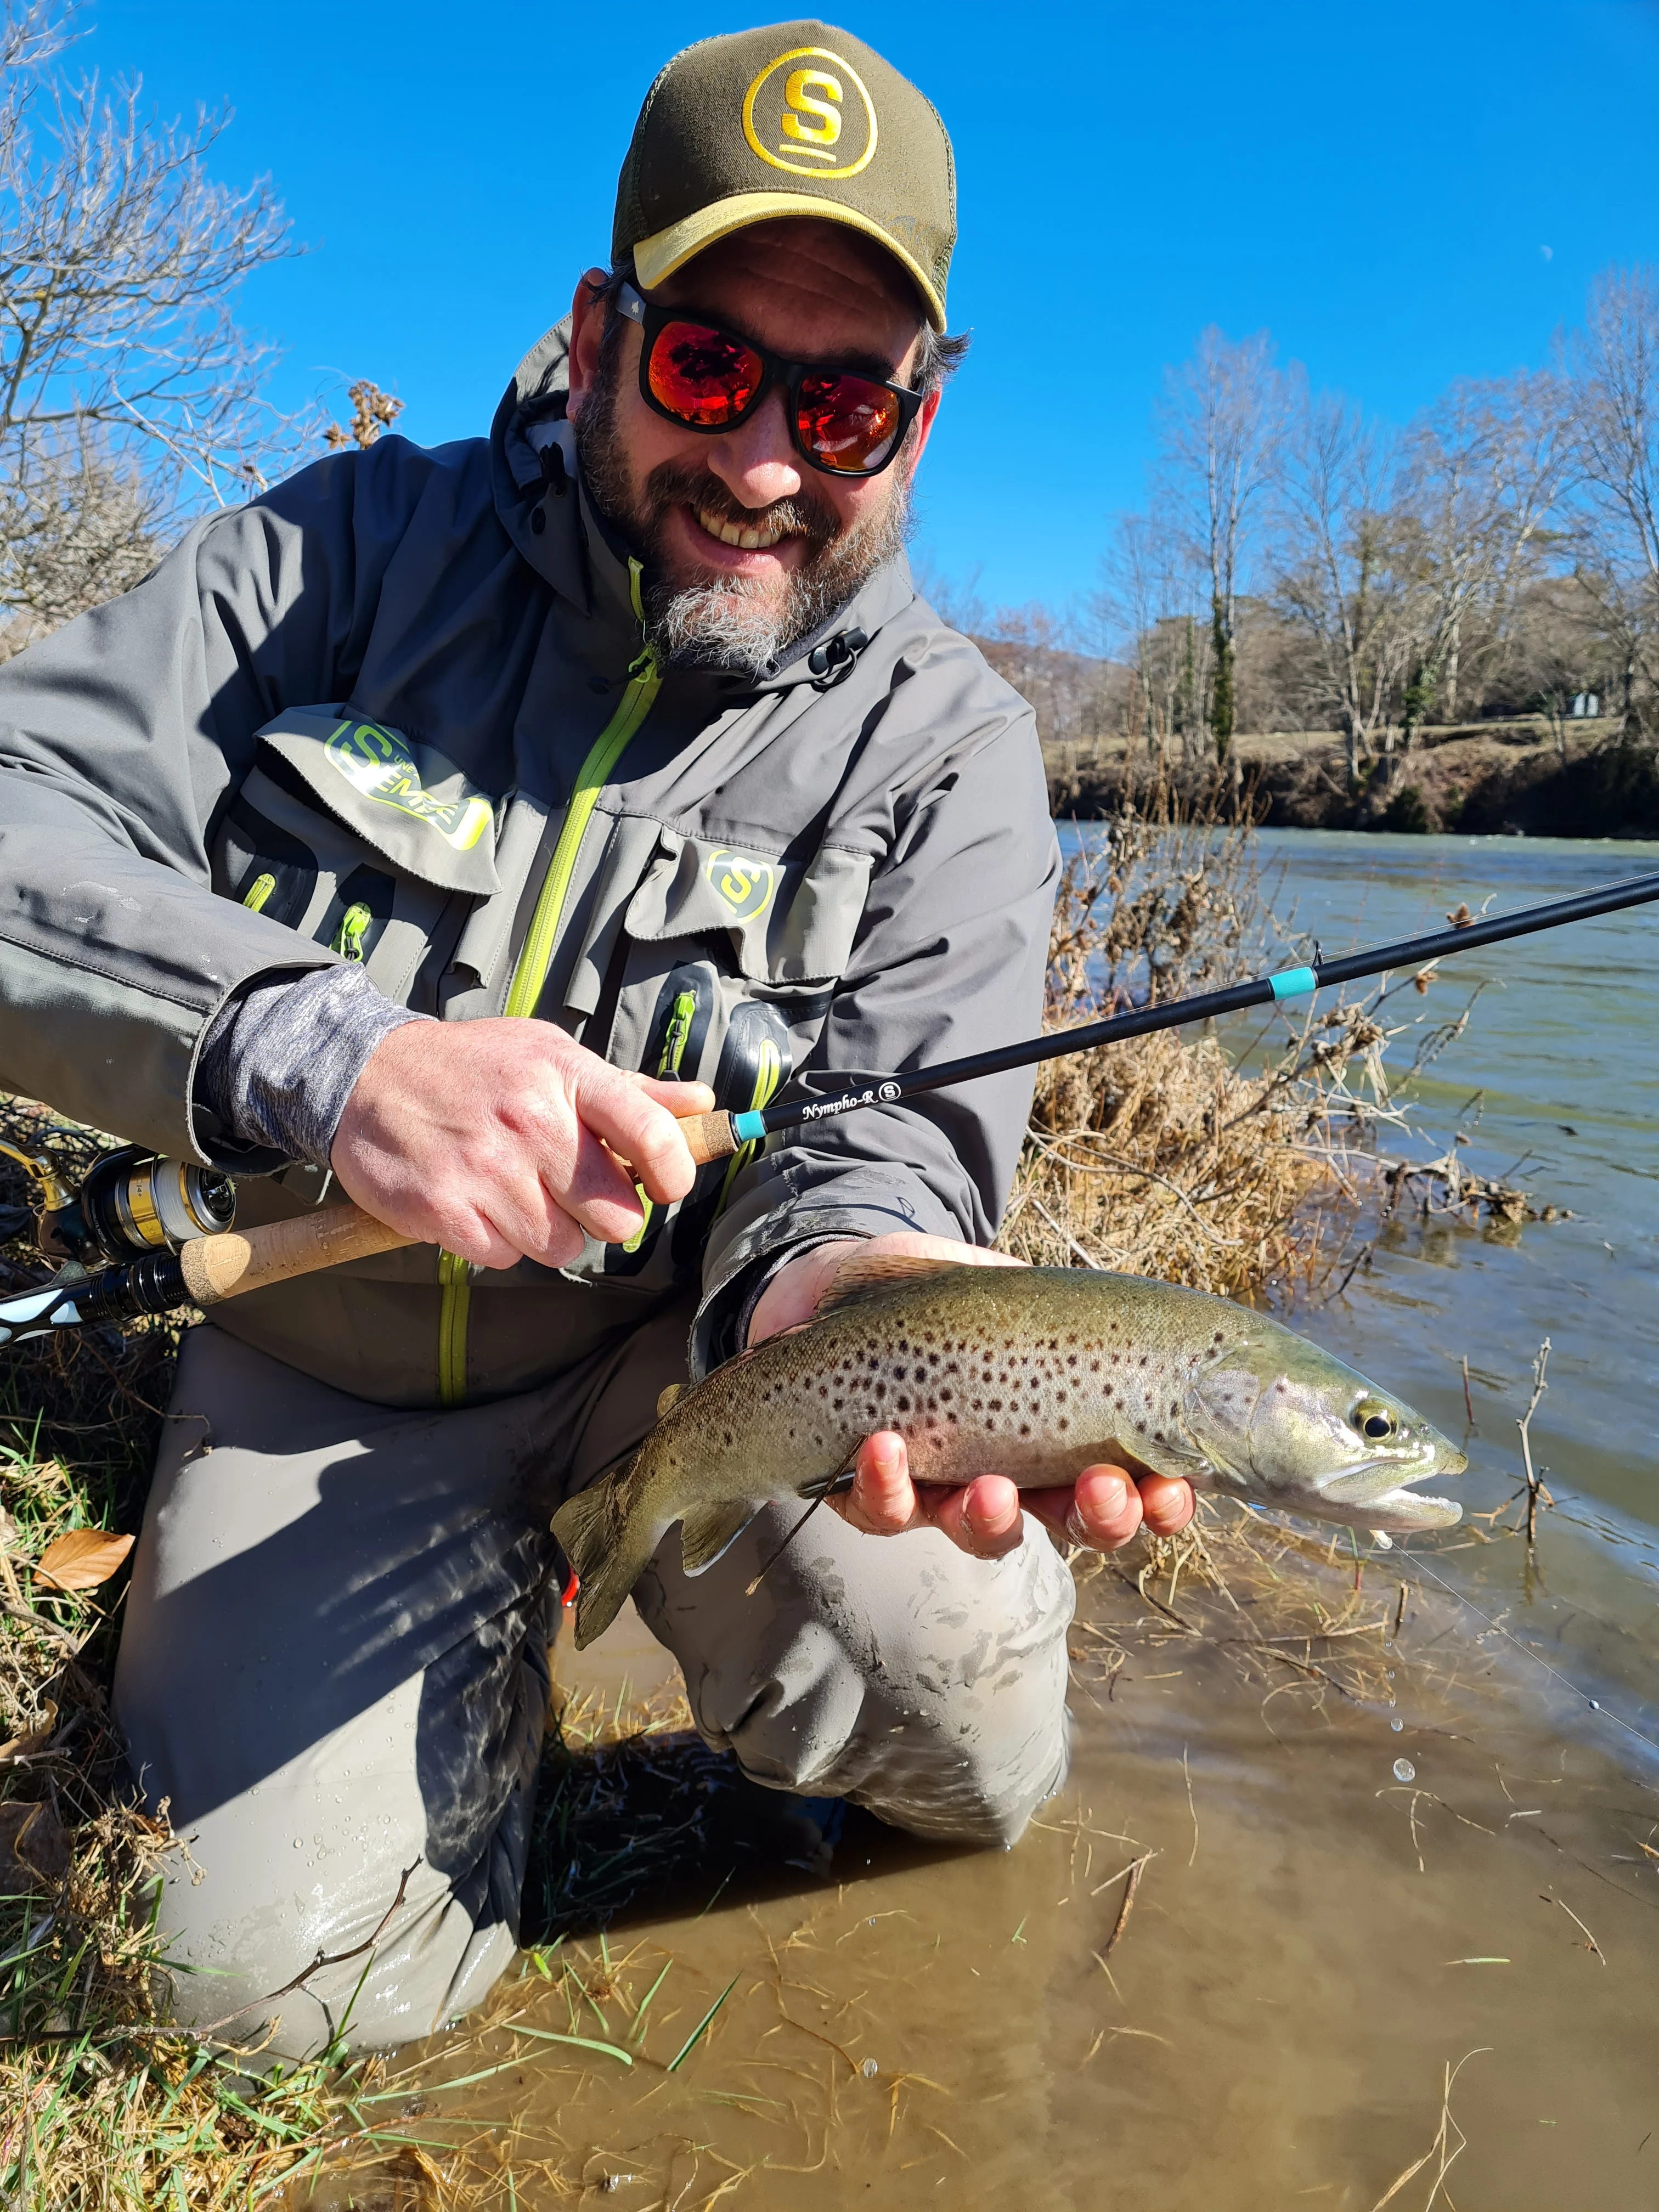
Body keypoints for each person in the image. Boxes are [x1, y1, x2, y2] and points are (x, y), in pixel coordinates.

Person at [0, 19, 1193, 2056]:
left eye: (846, 405)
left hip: (699, 1363)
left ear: (928, 410)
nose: (762, 465)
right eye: (713, 370)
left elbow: (898, 1141)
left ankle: (637, 1625)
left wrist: (854, 1274)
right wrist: (319, 1051)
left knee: (971, 1748)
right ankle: (453, 1714)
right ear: (601, 327)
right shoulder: (346, 555)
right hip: (326, 1378)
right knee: (263, 2000)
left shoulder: (951, 750)